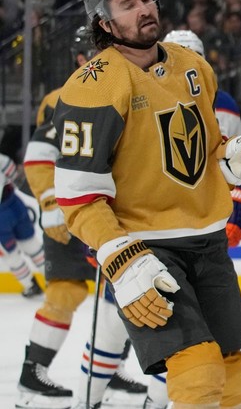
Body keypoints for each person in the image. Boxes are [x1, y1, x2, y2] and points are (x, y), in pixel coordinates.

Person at [52, 0, 241, 409]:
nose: (144, 9)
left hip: (208, 243)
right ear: (104, 22)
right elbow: (77, 196)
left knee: (233, 370)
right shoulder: (92, 86)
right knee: (197, 372)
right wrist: (120, 258)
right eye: (127, 4)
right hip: (148, 252)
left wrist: (233, 157)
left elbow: (204, 147)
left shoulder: (192, 66)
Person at [19, 24, 159, 409]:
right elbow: (38, 156)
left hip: (111, 217)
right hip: (71, 213)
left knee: (120, 298)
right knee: (68, 292)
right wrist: (50, 203)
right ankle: (32, 375)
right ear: (83, 59)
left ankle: (107, 369)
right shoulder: (64, 96)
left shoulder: (128, 88)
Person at [163, 29, 241, 248]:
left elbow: (235, 158)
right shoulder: (145, 98)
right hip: (160, 212)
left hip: (206, 209)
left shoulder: (223, 103)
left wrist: (239, 201)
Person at [0, 152, 44, 299]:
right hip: (14, 203)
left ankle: (31, 285)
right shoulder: (2, 158)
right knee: (32, 244)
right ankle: (54, 279)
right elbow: (12, 173)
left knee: (11, 254)